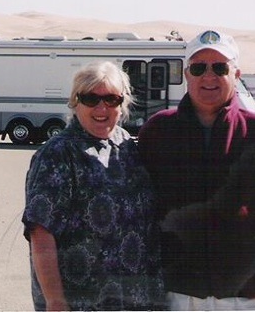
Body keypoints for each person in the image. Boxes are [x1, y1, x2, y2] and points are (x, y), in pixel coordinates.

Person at [138, 30, 255, 310]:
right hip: (177, 296)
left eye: (220, 67)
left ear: (236, 74)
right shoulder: (156, 133)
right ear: (186, 74)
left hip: (248, 298)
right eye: (198, 67)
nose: (209, 76)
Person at [22, 61, 166, 311]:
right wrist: (55, 302)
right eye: (91, 98)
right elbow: (41, 232)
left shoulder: (127, 146)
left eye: (111, 99)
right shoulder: (58, 154)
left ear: (122, 104)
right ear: (75, 101)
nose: (102, 107)